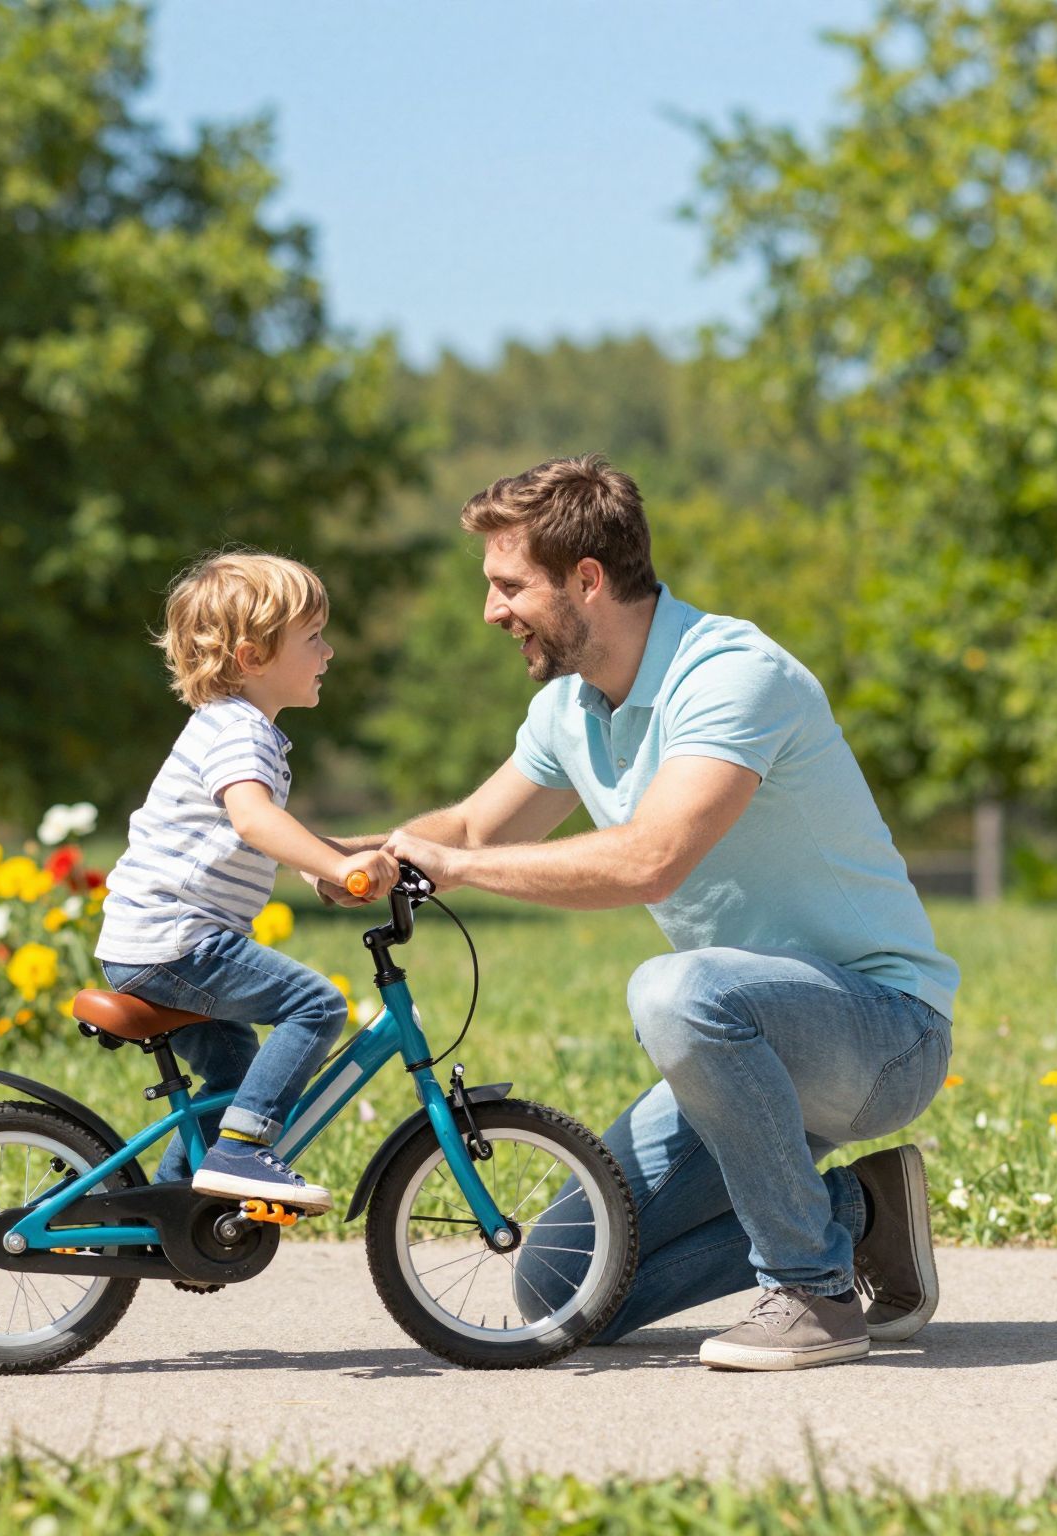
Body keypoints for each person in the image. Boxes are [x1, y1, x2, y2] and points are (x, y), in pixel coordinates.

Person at [323, 455, 958, 1370]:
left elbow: (655, 859)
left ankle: (813, 1293)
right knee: (560, 1283)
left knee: (676, 991)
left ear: (587, 579)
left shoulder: (733, 675)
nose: (492, 612)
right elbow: (466, 823)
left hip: (878, 1030)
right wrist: (352, 860)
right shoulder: (568, 710)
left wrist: (462, 865)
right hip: (738, 1040)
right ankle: (861, 1215)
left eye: (509, 586)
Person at [95, 550, 398, 1213]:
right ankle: (241, 1151)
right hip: (179, 942)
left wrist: (336, 861)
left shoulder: (232, 731)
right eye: (313, 638)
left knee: (232, 1072)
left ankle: (179, 1210)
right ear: (253, 656)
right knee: (316, 1006)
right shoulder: (241, 732)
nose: (330, 651)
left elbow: (259, 828)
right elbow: (255, 820)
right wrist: (335, 866)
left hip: (155, 942)